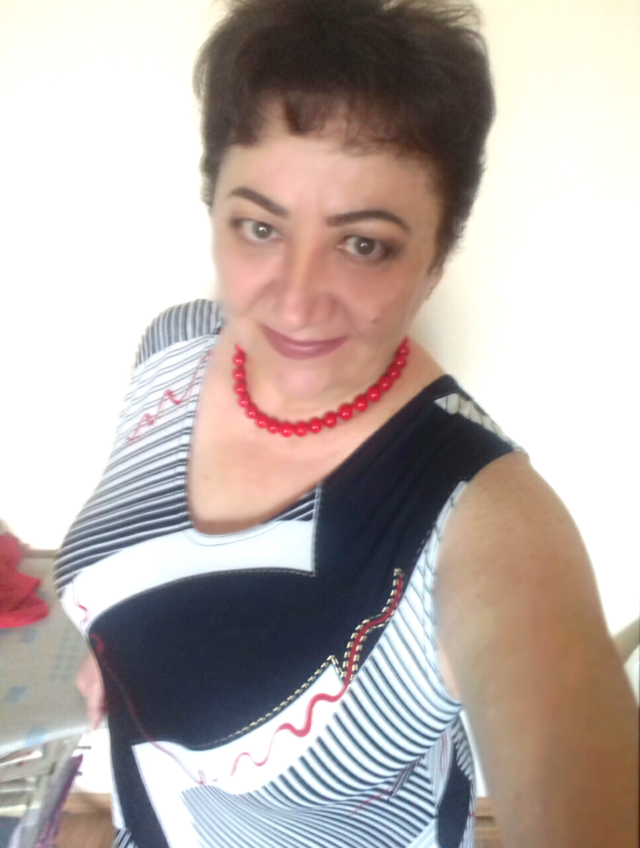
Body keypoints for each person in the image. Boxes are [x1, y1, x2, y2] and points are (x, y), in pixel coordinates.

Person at [55, 1, 638, 846]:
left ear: (436, 259)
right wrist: (117, 644)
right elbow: (147, 566)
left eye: (364, 244)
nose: (295, 302)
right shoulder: (174, 346)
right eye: (260, 226)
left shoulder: (485, 519)